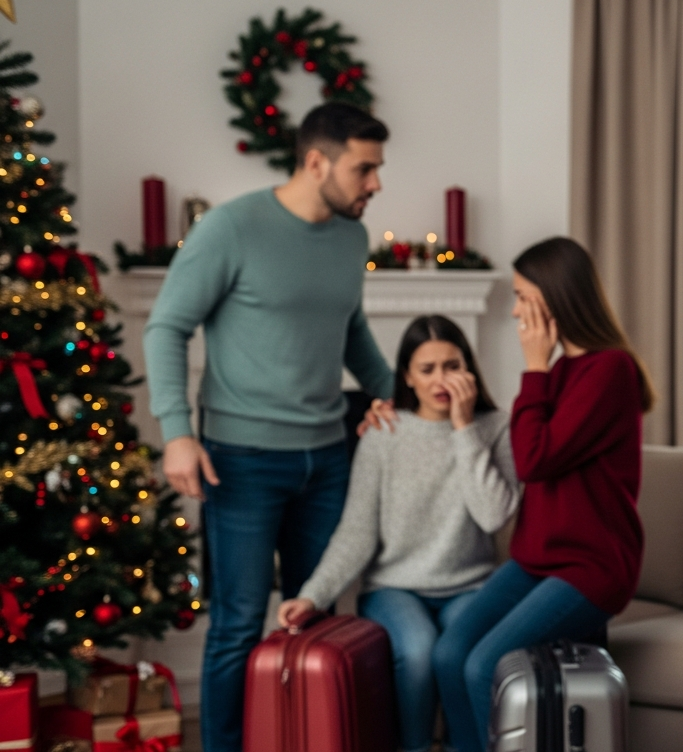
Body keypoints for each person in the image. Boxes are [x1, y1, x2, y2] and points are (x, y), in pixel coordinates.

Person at [143, 103, 394, 752]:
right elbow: (166, 325)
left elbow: (350, 330)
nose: (376, 184)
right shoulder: (231, 228)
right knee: (236, 625)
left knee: (316, 621)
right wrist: (176, 431)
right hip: (241, 461)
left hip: (329, 459)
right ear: (317, 162)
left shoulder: (350, 237)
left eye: (377, 169)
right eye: (364, 169)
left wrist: (404, 398)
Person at [432, 236, 651, 752]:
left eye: (522, 296)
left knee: (486, 664)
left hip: (591, 568)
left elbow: (534, 459)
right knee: (450, 652)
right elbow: (531, 447)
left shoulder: (609, 370)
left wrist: (532, 368)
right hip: (537, 561)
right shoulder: (559, 371)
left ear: (553, 299)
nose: (513, 310)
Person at [276, 315, 518, 752]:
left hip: (470, 585)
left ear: (469, 368)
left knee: (468, 653)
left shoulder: (494, 427)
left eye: (452, 365)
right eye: (427, 369)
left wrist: (464, 429)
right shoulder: (384, 433)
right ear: (407, 375)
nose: (441, 379)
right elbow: (356, 533)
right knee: (420, 651)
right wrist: (312, 595)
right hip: (394, 588)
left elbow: (493, 516)